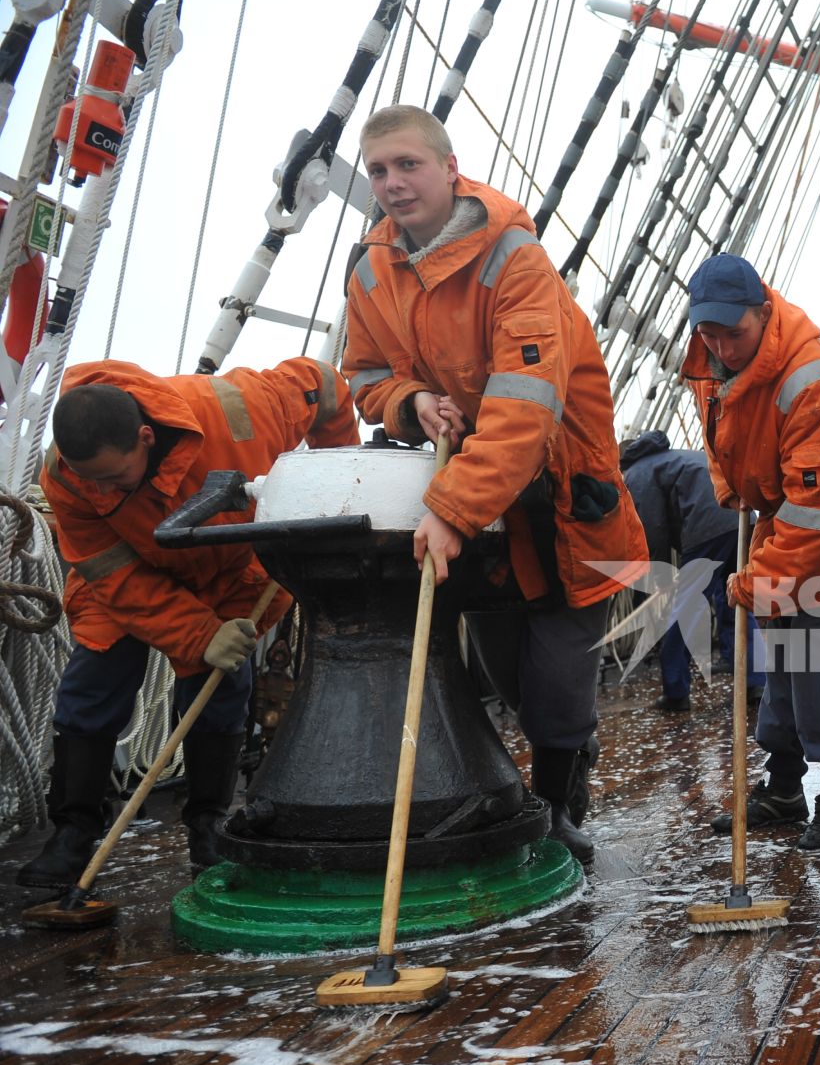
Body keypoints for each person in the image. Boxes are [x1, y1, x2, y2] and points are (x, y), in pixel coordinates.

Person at [342, 104, 646, 868]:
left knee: (557, 673)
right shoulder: (371, 269)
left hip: (564, 496)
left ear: (451, 169)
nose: (392, 183)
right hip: (486, 505)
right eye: (378, 170)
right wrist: (410, 400)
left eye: (408, 164)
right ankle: (565, 752)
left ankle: (555, 806)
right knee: (509, 667)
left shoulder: (515, 259)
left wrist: (448, 509)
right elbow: (367, 376)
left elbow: (524, 406)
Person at [18, 357, 355, 887]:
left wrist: (343, 475)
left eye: (112, 477)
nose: (101, 490)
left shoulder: (242, 409)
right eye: (92, 481)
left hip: (225, 573)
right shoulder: (66, 472)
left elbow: (325, 386)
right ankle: (73, 834)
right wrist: (199, 634)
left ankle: (208, 828)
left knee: (221, 692)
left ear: (146, 437)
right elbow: (112, 573)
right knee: (93, 687)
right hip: (126, 581)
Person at [677, 253, 820, 853]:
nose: (723, 345)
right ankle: (784, 788)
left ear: (764, 313)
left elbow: (813, 513)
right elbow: (721, 439)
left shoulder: (809, 377)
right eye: (709, 332)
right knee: (781, 672)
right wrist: (730, 487)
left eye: (734, 332)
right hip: (783, 526)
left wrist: (757, 582)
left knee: (818, 670)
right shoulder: (709, 363)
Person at [620, 429, 764, 712]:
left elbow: (653, 528)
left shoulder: (636, 474)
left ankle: (675, 691)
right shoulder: (674, 458)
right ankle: (756, 682)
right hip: (741, 517)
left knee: (685, 610)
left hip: (707, 526)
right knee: (740, 599)